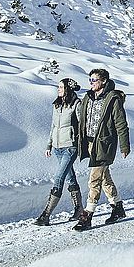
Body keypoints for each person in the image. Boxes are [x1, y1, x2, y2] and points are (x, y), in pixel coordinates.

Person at [73, 68, 130, 231]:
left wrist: (124, 145)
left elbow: (121, 123)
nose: (91, 83)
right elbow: (80, 116)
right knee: (105, 178)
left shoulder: (113, 99)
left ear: (103, 81)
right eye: (90, 80)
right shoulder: (88, 97)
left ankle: (87, 215)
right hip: (90, 143)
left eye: (94, 80)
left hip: (104, 144)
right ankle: (117, 208)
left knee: (94, 179)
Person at [35, 78, 83, 226]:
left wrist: (82, 144)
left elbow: (82, 126)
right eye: (58, 87)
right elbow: (53, 126)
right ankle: (79, 209)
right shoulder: (57, 104)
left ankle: (46, 214)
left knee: (59, 178)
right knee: (70, 178)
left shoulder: (77, 104)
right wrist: (49, 145)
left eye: (61, 87)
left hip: (70, 147)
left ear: (68, 88)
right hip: (57, 148)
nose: (59, 89)